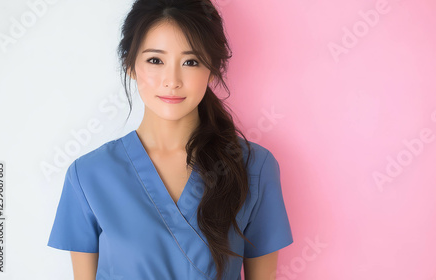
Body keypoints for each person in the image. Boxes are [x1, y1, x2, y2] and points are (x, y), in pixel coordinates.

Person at [47, 0, 294, 279]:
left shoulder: (254, 167)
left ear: (212, 68)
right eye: (155, 60)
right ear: (130, 64)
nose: (172, 80)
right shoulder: (89, 176)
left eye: (191, 61)